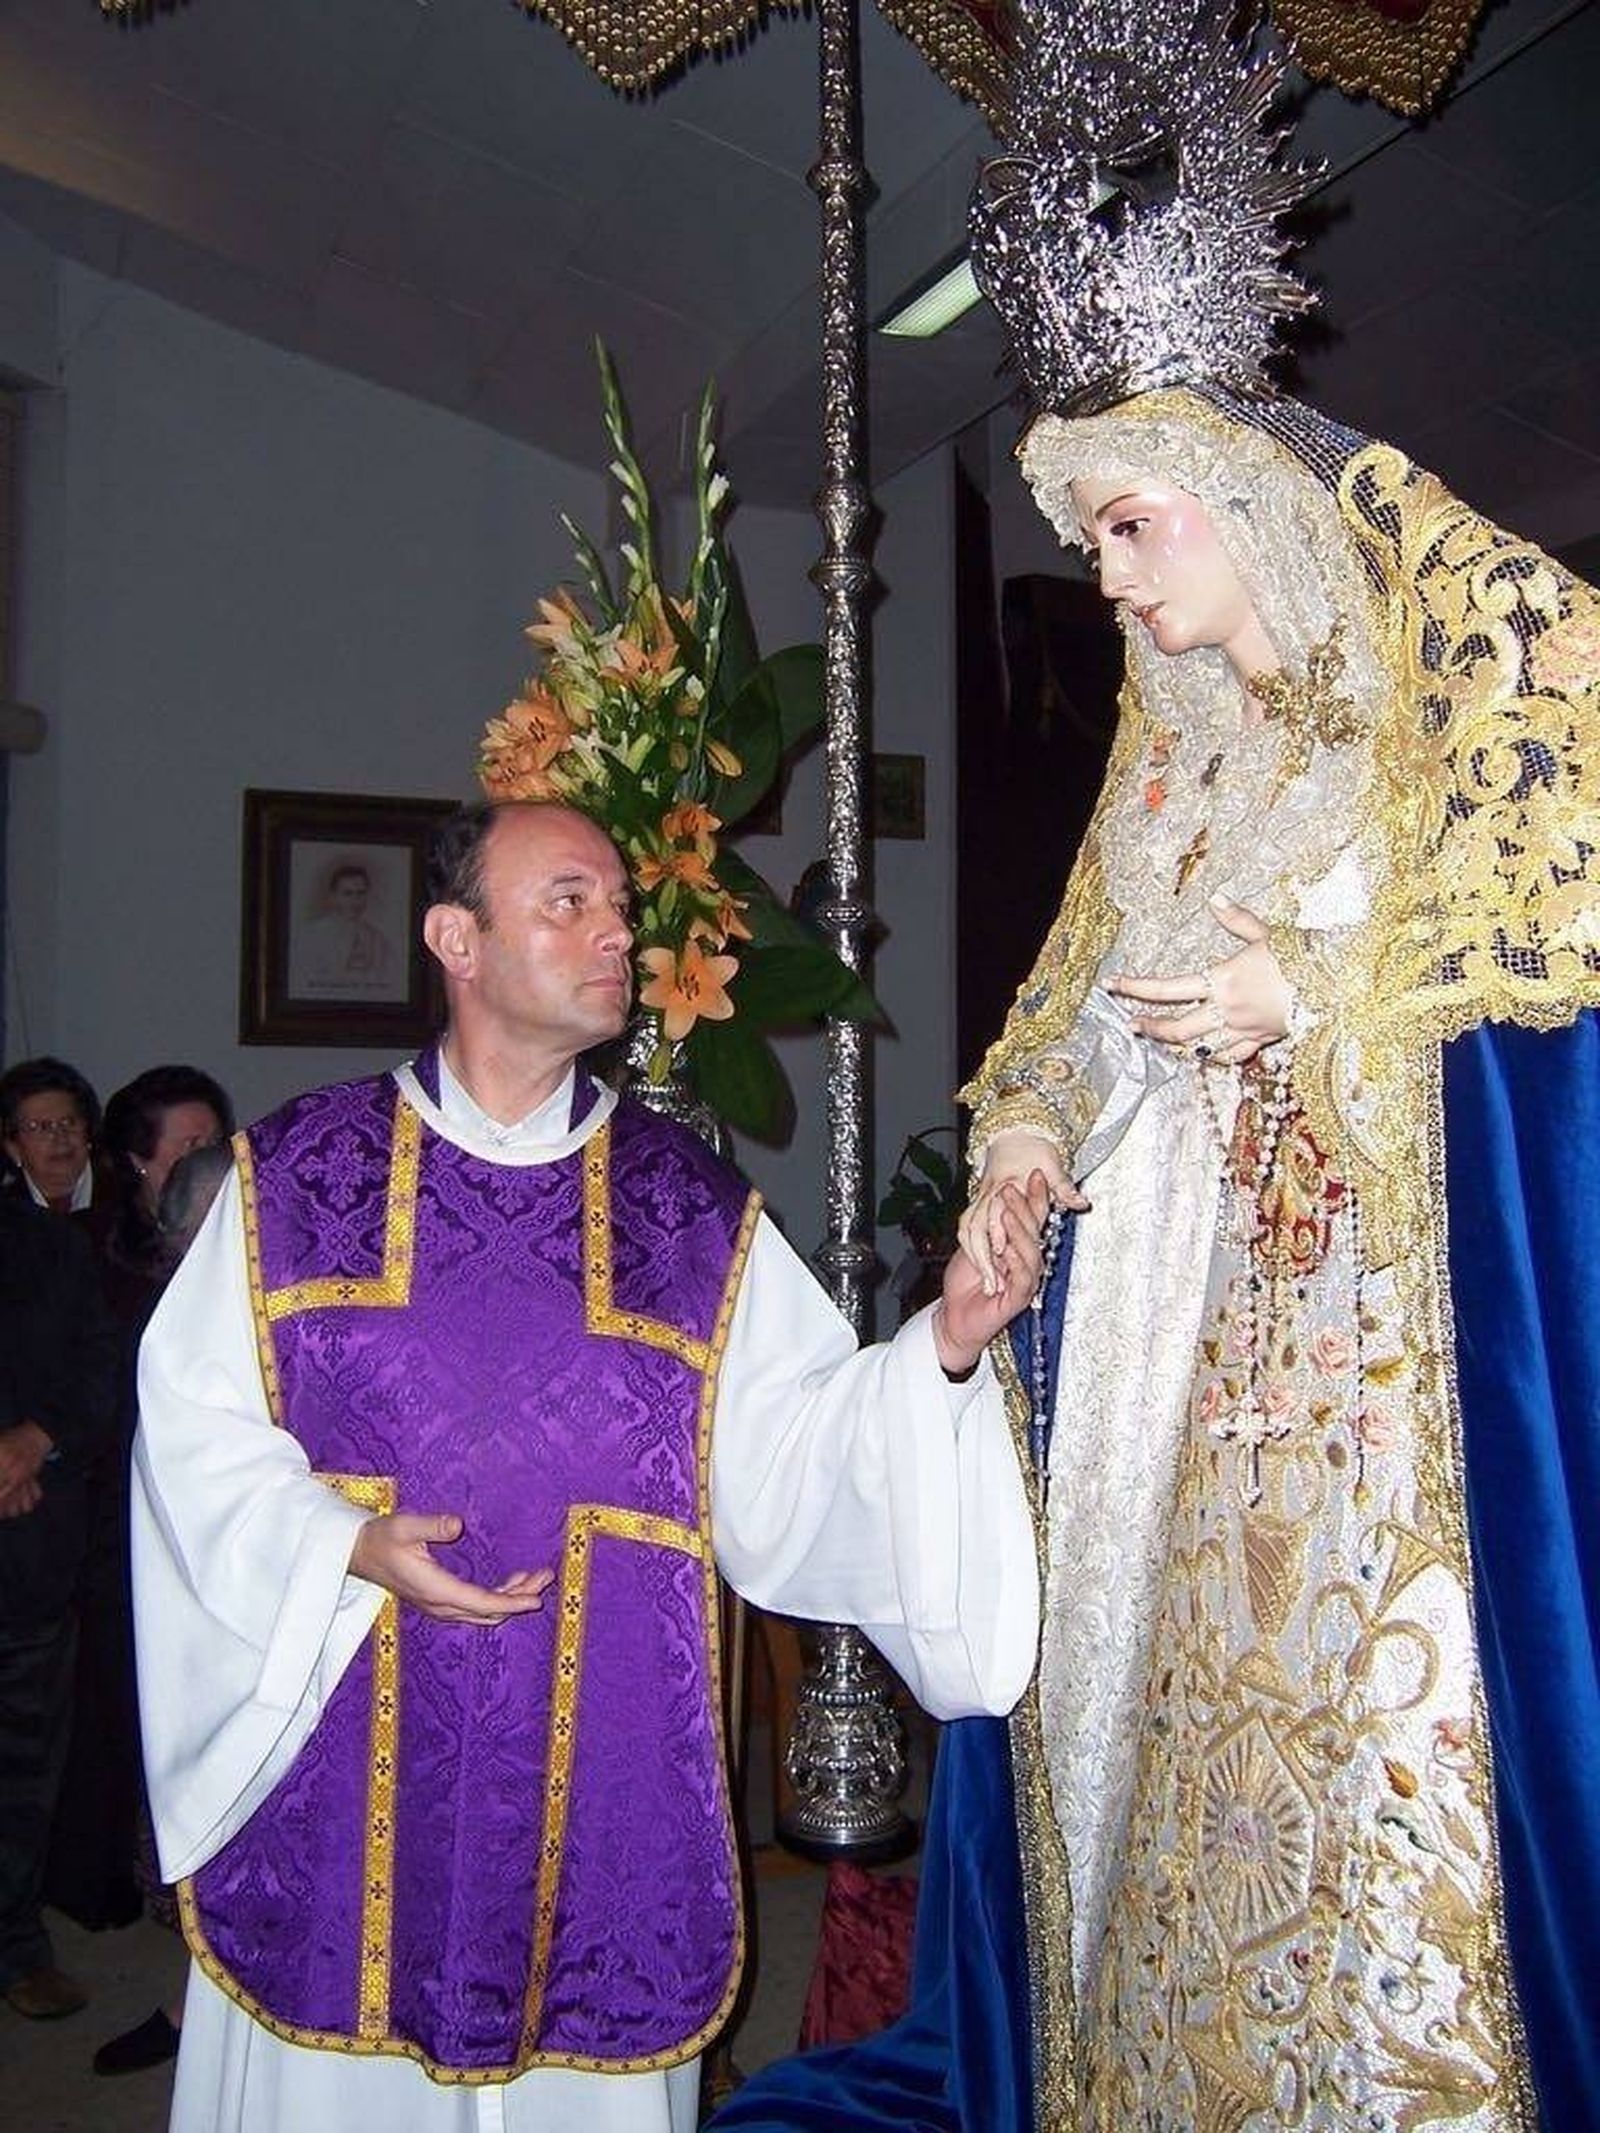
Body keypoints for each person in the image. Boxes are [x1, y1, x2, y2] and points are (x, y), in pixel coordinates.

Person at [710, 6, 1600, 2131]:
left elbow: (1556, 876)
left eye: (1128, 528)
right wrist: (1025, 1136)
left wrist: (1325, 980)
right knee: (1161, 1723)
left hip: (1363, 1346)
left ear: (1235, 500)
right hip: (1162, 1348)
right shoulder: (1170, 763)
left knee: (1354, 1750)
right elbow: (1065, 999)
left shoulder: (1424, 714)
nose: (1102, 577)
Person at [131, 798, 1048, 2133]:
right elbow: (192, 1429)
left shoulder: (687, 1210)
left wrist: (944, 1345)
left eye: (620, 904)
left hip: (605, 1770)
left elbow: (796, 1449)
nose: (618, 931)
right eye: (569, 901)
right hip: (351, 1750)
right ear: (456, 940)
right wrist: (338, 1542)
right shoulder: (299, 1179)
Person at [0, 1194, 116, 2020]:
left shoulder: (50, 1246)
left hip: (31, 1545)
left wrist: (33, 1441)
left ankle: (15, 1945)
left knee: (23, 1765)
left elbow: (100, 1368)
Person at [0, 1055, 99, 1213]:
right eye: (40, 1127)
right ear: (13, 1149)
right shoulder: (7, 1215)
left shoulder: (129, 1197)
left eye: (68, 1122)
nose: (60, 1137)